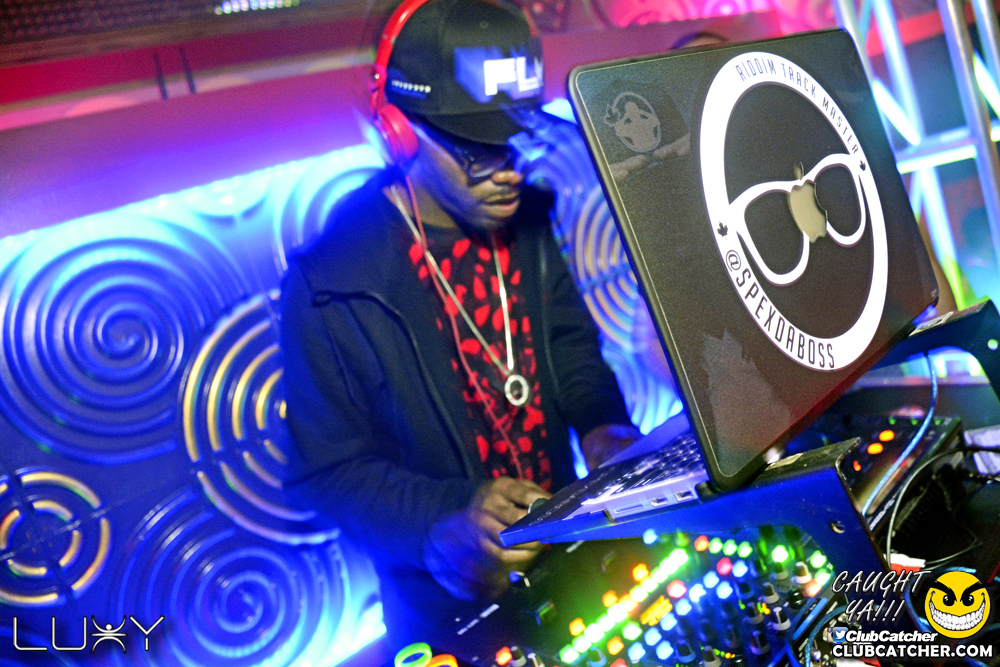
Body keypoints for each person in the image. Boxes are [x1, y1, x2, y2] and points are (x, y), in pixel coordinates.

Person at [280, 0, 639, 648]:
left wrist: (602, 426)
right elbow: (326, 472)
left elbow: (568, 345)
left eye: (517, 139)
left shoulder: (528, 220)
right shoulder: (331, 280)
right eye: (476, 150)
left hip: (572, 563)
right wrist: (435, 523)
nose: (509, 171)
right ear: (399, 131)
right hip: (448, 613)